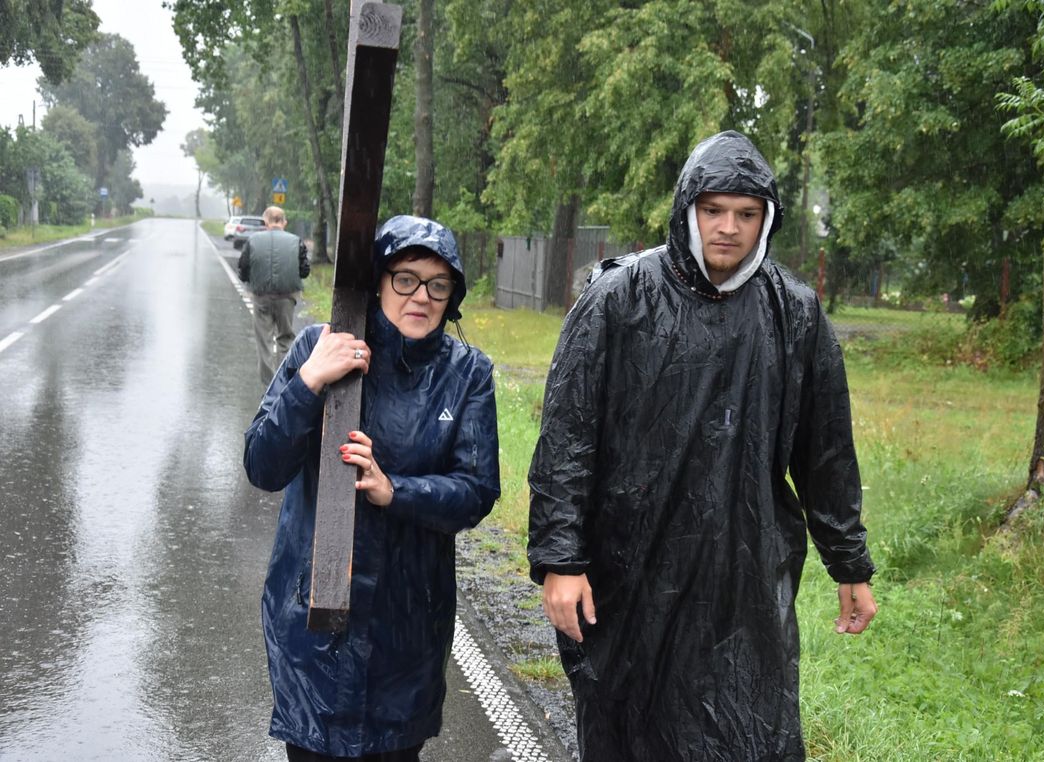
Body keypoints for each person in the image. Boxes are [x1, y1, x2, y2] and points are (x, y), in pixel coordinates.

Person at [527, 130, 878, 761]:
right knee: (629, 731)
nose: (728, 228)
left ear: (767, 218)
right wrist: (561, 558)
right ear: (687, 208)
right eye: (713, 210)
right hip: (630, 572)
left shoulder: (793, 313)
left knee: (748, 734)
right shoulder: (620, 299)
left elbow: (825, 452)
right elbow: (567, 439)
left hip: (743, 580)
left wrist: (848, 563)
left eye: (747, 214)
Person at [243, 215, 500, 761]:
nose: (421, 296)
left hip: (405, 634)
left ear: (452, 294)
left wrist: (395, 489)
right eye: (405, 278)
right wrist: (310, 382)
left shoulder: (467, 372)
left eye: (437, 284)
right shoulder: (320, 345)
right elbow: (262, 465)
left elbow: (477, 490)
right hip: (312, 626)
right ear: (380, 280)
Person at [239, 205, 311, 386]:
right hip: (287, 297)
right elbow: (304, 271)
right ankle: (282, 383)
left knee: (264, 341)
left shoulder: (253, 240)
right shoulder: (296, 241)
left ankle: (267, 385)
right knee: (285, 338)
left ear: (266, 221)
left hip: (261, 296)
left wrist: (251, 282)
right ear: (284, 222)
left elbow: (243, 269)